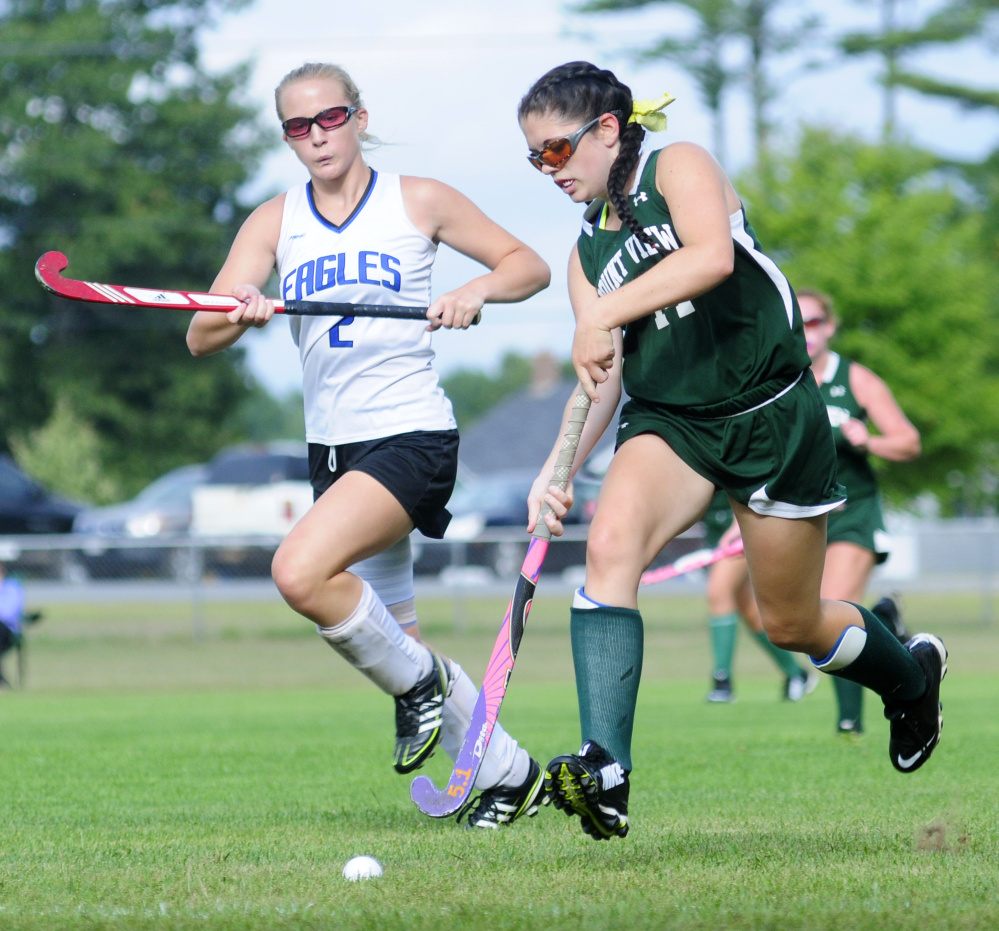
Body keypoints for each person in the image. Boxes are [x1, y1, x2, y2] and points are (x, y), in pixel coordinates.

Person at [517, 61, 947, 841]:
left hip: (771, 414)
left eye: (554, 150)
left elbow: (710, 256)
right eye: (534, 158)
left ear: (607, 131)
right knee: (609, 550)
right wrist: (558, 468)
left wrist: (600, 312)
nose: (548, 170)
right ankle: (605, 768)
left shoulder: (677, 165)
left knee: (789, 622)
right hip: (671, 421)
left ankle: (910, 676)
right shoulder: (587, 253)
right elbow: (601, 371)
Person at [187, 62, 552, 829]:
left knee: (298, 570)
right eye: (296, 125)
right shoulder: (273, 221)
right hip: (332, 450)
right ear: (285, 137)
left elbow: (528, 265)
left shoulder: (416, 199)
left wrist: (472, 291)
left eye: (328, 118)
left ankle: (427, 686)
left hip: (409, 435)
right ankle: (508, 772)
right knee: (395, 638)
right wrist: (240, 313)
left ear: (357, 117)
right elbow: (200, 332)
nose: (315, 135)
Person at [799, 288, 920, 737]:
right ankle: (887, 623)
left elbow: (907, 441)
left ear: (829, 327)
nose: (806, 331)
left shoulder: (856, 380)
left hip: (854, 513)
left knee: (833, 607)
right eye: (798, 321)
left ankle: (850, 722)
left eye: (814, 322)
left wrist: (867, 439)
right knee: (802, 622)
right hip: (803, 516)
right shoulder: (777, 378)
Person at [700, 489, 817, 704]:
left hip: (743, 522)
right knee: (750, 610)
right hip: (716, 528)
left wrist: (739, 523)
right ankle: (796, 673)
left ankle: (722, 682)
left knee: (719, 593)